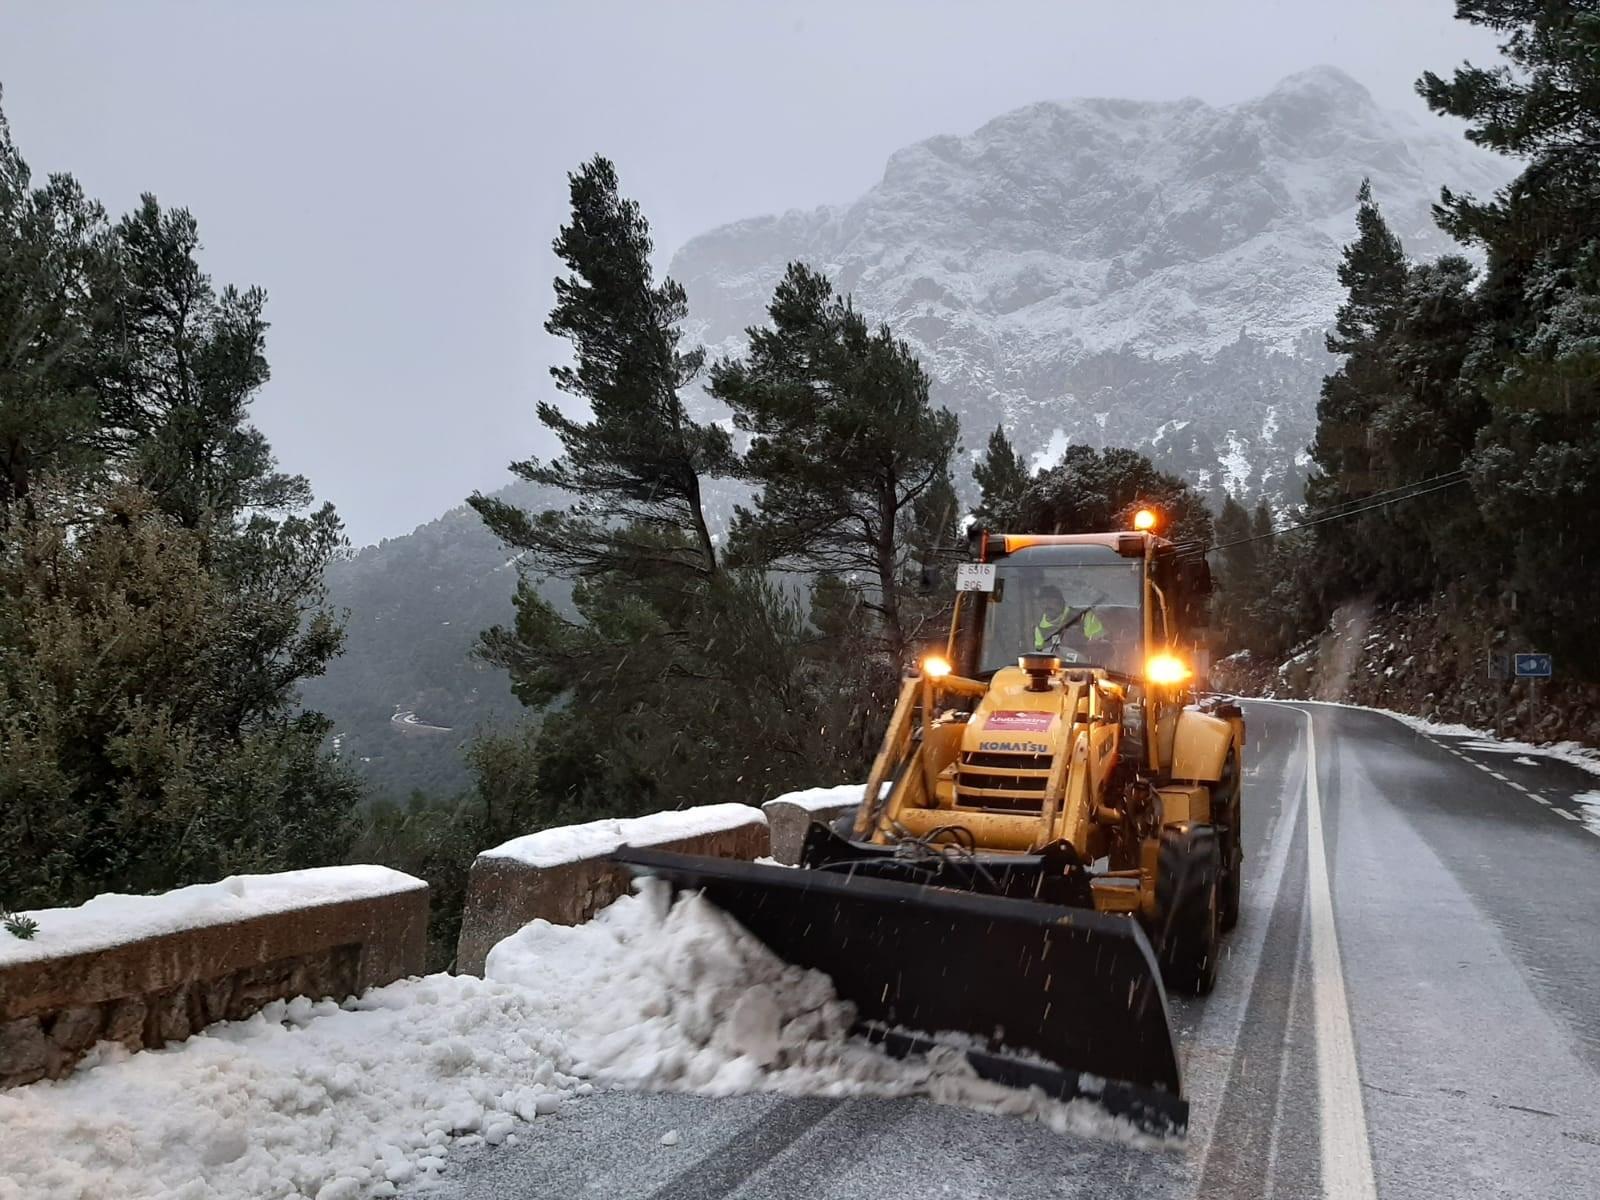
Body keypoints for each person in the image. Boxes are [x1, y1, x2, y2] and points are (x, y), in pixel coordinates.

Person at [1033, 584, 1105, 654]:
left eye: (1051, 601)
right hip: (1054, 665)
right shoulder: (1039, 628)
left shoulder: (1083, 616)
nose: (1047, 606)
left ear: (1061, 601)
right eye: (1043, 602)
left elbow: (1101, 644)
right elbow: (1039, 654)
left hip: (1085, 664)